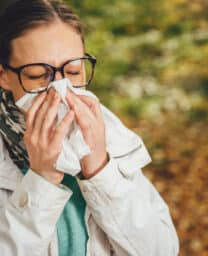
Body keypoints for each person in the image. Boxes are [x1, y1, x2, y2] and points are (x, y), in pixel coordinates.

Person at [0, 0, 179, 255]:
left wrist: (100, 169)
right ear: (4, 76)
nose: (60, 89)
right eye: (38, 74)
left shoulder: (111, 136)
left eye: (73, 71)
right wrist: (42, 179)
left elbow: (161, 250)